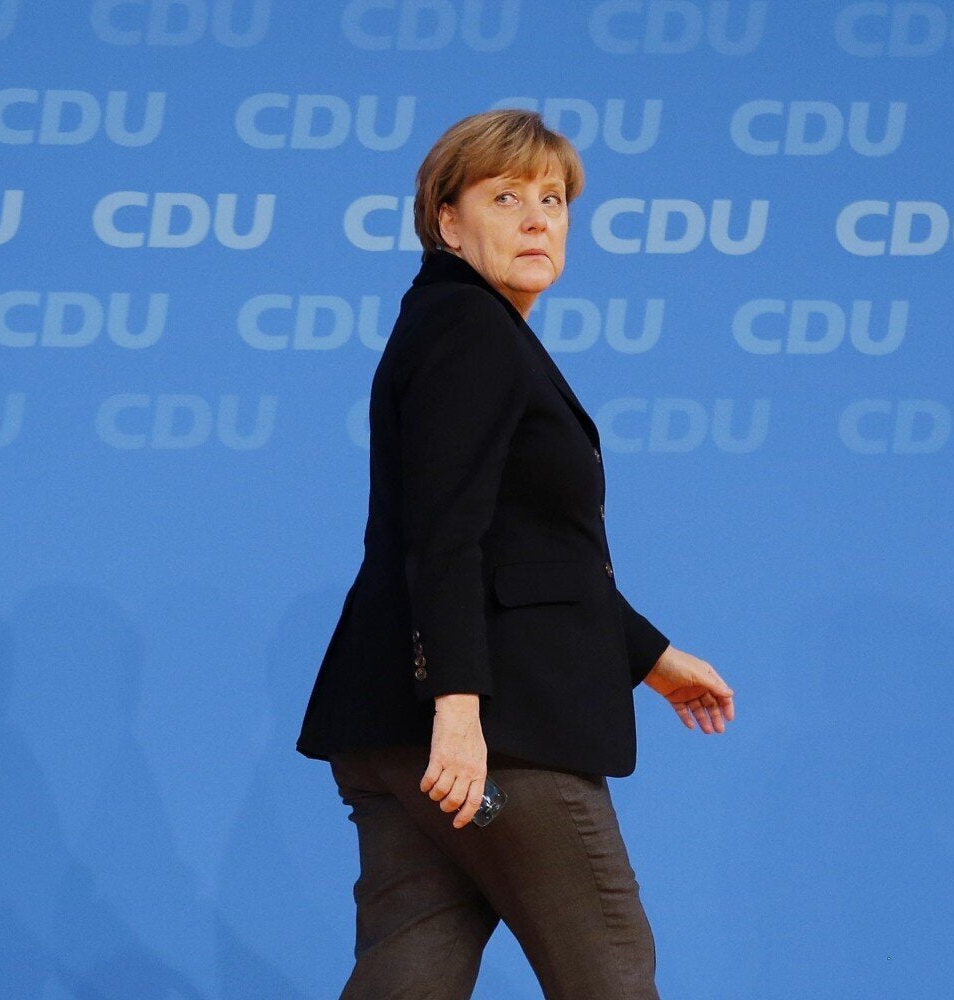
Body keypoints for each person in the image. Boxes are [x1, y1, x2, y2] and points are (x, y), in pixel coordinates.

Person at [295, 108, 736, 1000]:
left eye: (553, 199)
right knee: (610, 973)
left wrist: (649, 656)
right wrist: (459, 711)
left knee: (409, 976)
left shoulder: (451, 324)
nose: (538, 218)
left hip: (394, 723)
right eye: (505, 198)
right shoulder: (472, 330)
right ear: (447, 222)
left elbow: (522, 547)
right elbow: (444, 530)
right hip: (493, 728)